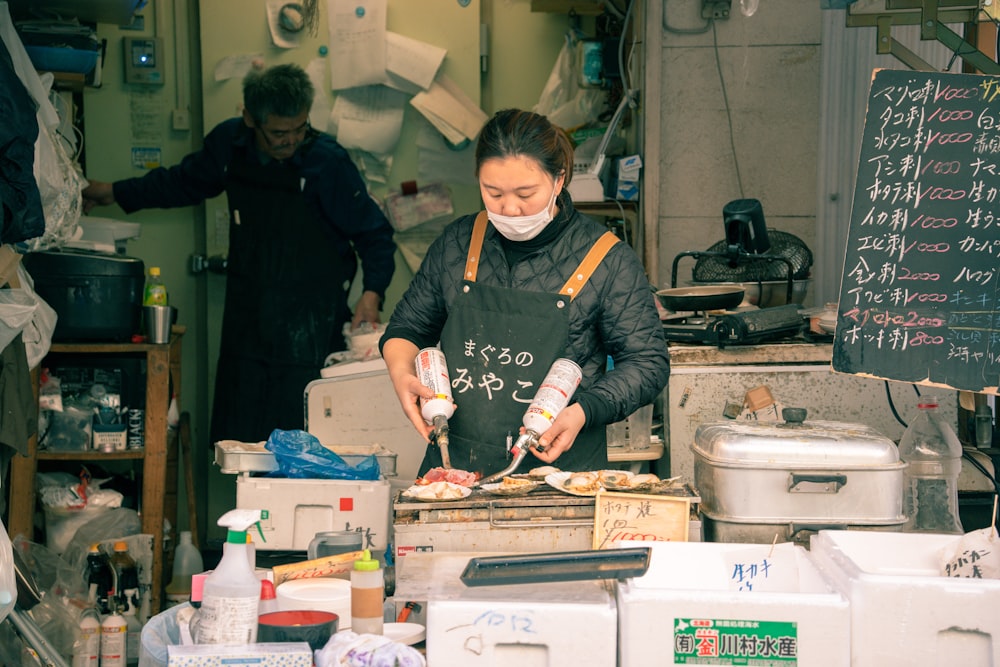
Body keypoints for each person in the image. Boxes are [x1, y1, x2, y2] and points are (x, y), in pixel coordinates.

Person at [82, 63, 397, 445]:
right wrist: (114, 192)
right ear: (249, 118)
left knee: (309, 442)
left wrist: (372, 292)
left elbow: (375, 233)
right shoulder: (230, 147)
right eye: (279, 132)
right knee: (244, 440)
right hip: (248, 321)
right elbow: (181, 184)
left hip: (313, 325)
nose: (291, 141)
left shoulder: (327, 162)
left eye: (300, 128)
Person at [380, 108, 669, 477]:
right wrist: (401, 372)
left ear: (559, 179)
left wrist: (584, 411)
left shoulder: (608, 260)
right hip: (455, 471)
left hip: (562, 475)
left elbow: (647, 363)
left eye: (526, 193)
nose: (510, 209)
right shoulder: (459, 242)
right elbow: (408, 327)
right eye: (493, 192)